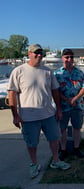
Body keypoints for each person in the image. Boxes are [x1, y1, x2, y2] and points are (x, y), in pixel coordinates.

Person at [7, 44, 71, 179]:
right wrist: (15, 115)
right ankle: (34, 164)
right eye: (36, 52)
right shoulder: (18, 71)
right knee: (32, 143)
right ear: (29, 53)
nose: (39, 55)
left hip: (49, 114)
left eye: (41, 53)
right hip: (28, 117)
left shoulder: (48, 71)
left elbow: (55, 91)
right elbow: (12, 94)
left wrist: (58, 109)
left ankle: (56, 161)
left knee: (54, 139)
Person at [54, 49, 84, 160]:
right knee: (62, 129)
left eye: (71, 57)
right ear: (62, 58)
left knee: (77, 128)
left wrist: (75, 99)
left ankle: (76, 148)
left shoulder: (79, 72)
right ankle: (63, 150)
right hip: (62, 107)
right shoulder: (57, 74)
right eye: (67, 57)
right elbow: (55, 90)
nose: (69, 59)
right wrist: (66, 99)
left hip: (77, 106)